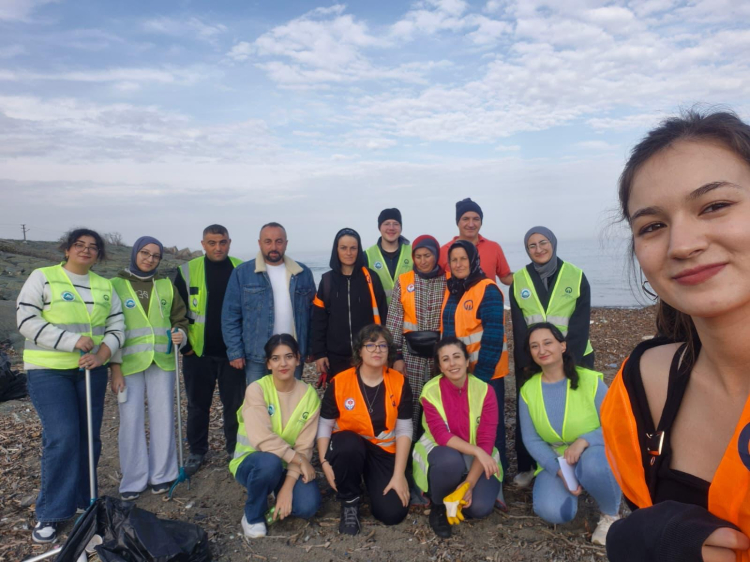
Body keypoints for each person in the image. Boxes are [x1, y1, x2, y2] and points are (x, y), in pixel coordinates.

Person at [601, 109, 750, 562]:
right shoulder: (639, 386)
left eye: (715, 206)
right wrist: (642, 538)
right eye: (652, 226)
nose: (682, 245)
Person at [17, 228, 124, 543]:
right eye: (79, 245)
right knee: (63, 437)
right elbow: (26, 320)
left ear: (99, 254)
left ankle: (83, 501)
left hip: (90, 371)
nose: (86, 250)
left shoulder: (104, 286)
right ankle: (51, 512)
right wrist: (71, 341)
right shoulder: (43, 277)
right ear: (67, 249)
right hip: (49, 371)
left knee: (89, 438)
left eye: (93, 247)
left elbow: (117, 326)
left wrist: (102, 355)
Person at [518, 323, 619, 545]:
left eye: (547, 343)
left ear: (562, 346)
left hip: (595, 452)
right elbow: (531, 439)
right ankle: (579, 481)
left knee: (594, 465)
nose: (541, 350)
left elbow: (615, 425)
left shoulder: (590, 381)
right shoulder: (528, 390)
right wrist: (558, 469)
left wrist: (585, 441)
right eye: (534, 346)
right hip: (558, 458)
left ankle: (610, 514)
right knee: (553, 511)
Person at [510, 226, 594, 489]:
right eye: (532, 245)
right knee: (530, 412)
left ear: (553, 243)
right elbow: (519, 326)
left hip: (574, 355)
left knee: (576, 410)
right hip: (533, 357)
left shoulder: (576, 276)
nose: (539, 249)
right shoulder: (519, 279)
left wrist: (568, 361)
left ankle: (582, 463)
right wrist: (527, 362)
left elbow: (580, 323)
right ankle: (528, 466)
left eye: (543, 242)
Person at [109, 236, 189, 500]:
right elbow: (110, 328)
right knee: (130, 420)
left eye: (155, 256)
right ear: (135, 253)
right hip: (128, 364)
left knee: (163, 416)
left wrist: (180, 334)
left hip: (162, 360)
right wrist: (114, 367)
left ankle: (162, 474)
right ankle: (133, 478)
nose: (149, 259)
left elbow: (179, 319)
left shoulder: (166, 285)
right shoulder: (115, 285)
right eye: (145, 253)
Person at [316, 324, 413, 535]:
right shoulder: (340, 382)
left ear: (389, 351)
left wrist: (399, 475)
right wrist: (324, 462)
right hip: (349, 448)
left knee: (392, 513)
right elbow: (325, 425)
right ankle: (350, 500)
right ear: (359, 350)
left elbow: (404, 429)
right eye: (370, 345)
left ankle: (374, 480)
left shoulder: (399, 382)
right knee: (348, 444)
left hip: (383, 451)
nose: (377, 350)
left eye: (382, 345)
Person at [230, 334, 321, 539]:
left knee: (308, 505)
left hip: (285, 465)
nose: (283, 364)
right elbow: (262, 439)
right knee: (269, 463)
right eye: (276, 358)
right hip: (252, 462)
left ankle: (273, 488)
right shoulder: (257, 390)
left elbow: (304, 447)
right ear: (268, 364)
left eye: (289, 357)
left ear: (298, 359)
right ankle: (252, 516)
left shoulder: (309, 396)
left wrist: (287, 488)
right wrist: (299, 460)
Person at [412, 337, 503, 538]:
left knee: (479, 509)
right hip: (443, 453)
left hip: (475, 457)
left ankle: (459, 487)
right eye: (445, 359)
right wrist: (477, 450)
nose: (452, 363)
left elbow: (486, 440)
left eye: (457, 357)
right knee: (449, 461)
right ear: (440, 367)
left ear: (467, 360)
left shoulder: (485, 391)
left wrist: (468, 484)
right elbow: (441, 436)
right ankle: (438, 505)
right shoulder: (430, 391)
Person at [174, 224, 244, 476]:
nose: (218, 247)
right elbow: (177, 312)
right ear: (203, 244)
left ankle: (234, 449)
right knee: (197, 405)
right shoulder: (186, 271)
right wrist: (186, 348)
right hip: (197, 353)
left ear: (229, 242)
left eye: (222, 242)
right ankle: (197, 450)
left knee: (235, 405)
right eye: (212, 243)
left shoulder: (241, 268)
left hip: (232, 353)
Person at [441, 240, 509, 477]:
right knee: (466, 423)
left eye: (463, 259)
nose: (458, 264)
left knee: (490, 425)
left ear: (473, 260)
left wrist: (480, 377)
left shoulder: (487, 289)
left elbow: (493, 336)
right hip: (457, 373)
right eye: (454, 260)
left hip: (485, 374)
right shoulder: (452, 289)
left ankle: (496, 476)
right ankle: (469, 472)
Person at [222, 222, 316, 385]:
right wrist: (235, 352)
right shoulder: (242, 273)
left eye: (279, 241)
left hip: (292, 353)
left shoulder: (302, 273)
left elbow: (313, 315)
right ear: (260, 243)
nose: (273, 247)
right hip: (257, 355)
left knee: (290, 398)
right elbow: (230, 316)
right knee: (258, 398)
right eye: (268, 241)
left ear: (286, 243)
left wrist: (311, 348)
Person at [311, 228, 389, 381]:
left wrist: (385, 350)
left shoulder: (371, 278)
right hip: (336, 356)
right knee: (340, 394)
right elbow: (319, 321)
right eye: (343, 248)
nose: (348, 253)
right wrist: (320, 354)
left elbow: (383, 315)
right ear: (336, 250)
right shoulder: (327, 281)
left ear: (359, 250)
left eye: (353, 248)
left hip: (369, 352)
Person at [438, 198, 513, 285]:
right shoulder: (443, 251)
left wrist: (526, 274)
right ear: (458, 222)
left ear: (481, 222)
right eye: (465, 219)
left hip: (489, 293)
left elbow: (506, 277)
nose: (471, 224)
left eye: (476, 219)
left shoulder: (494, 247)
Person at [365, 208, 412, 303]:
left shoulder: (413, 253)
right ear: (379, 227)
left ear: (401, 228)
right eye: (386, 224)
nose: (391, 228)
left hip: (408, 311)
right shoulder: (366, 255)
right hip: (378, 311)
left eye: (396, 224)